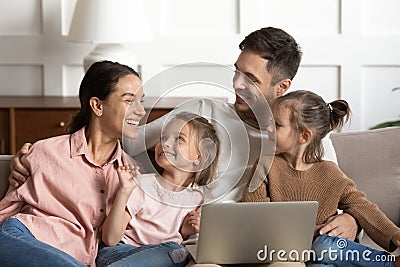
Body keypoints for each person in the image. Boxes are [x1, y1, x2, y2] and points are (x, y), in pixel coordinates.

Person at [9, 27, 358, 239]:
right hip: (194, 243)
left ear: (281, 87)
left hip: (265, 244)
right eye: (236, 72)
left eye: (250, 80)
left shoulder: (305, 136)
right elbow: (123, 137)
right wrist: (40, 157)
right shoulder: (203, 111)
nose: (237, 84)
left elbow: (345, 196)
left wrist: (352, 222)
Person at [0, 60, 146, 266]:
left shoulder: (130, 175)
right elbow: (7, 209)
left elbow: (110, 239)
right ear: (97, 105)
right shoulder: (45, 151)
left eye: (142, 102)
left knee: (174, 252)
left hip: (75, 257)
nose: (141, 111)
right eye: (130, 101)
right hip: (24, 238)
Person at [242, 90, 400, 267]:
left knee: (323, 247)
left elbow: (362, 206)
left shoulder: (329, 172)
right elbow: (255, 211)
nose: (267, 128)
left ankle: (389, 263)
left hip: (323, 252)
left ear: (304, 136)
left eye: (276, 124)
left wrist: (394, 234)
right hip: (281, 252)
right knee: (319, 247)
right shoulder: (265, 165)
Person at [96, 112, 220, 267]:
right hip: (120, 252)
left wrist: (185, 232)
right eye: (163, 138)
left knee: (179, 253)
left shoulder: (200, 198)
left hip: (164, 256)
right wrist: (124, 192)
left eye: (179, 138)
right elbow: (110, 239)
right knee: (176, 252)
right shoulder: (142, 184)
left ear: (200, 157)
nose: (165, 143)